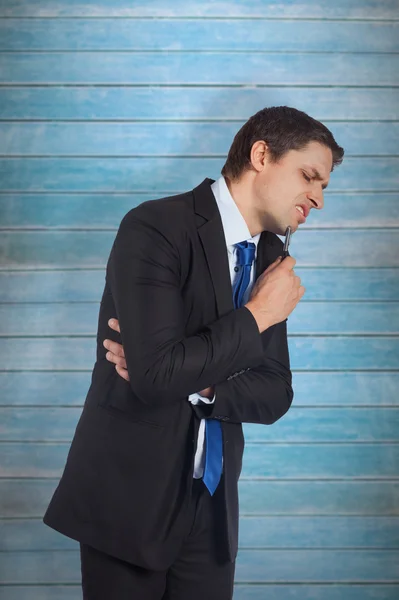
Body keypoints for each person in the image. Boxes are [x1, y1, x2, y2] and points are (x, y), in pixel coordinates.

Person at [43, 106, 344, 599]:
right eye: (310, 176)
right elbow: (158, 376)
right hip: (128, 502)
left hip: (212, 513)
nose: (318, 197)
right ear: (261, 155)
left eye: (324, 186)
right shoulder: (155, 227)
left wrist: (198, 379)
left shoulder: (270, 256)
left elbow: (274, 394)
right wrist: (256, 317)